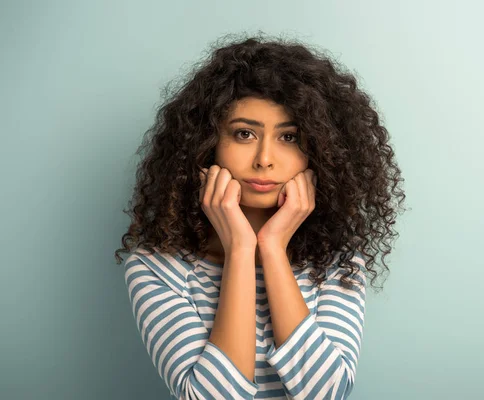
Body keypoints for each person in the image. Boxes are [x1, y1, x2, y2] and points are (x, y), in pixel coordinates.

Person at [115, 32, 405, 399]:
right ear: (207, 147)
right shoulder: (157, 268)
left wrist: (271, 248)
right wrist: (239, 249)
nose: (264, 159)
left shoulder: (337, 264)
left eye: (289, 137)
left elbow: (326, 394)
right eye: (244, 134)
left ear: (318, 152)